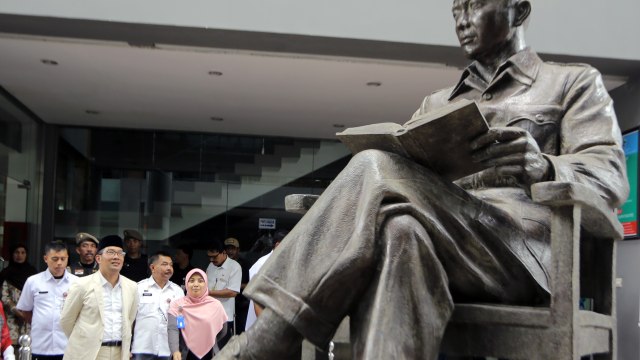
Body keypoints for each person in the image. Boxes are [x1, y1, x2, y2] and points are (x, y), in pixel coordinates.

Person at [216, 0, 629, 359]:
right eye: (455, 11)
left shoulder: (572, 83)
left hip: (523, 253)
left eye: (474, 5)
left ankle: (267, 342)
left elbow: (610, 176)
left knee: (375, 166)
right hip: (444, 242)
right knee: (401, 231)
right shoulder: (437, 104)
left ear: (519, 10)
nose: (462, 20)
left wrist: (545, 166)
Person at [60, 235, 139, 360]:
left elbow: (129, 320)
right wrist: (82, 341)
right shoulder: (82, 285)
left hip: (119, 353)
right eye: (111, 252)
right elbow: (66, 321)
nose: (116, 257)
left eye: (120, 253)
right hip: (88, 353)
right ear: (98, 258)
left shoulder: (132, 287)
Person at [16, 241, 78, 360]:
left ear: (67, 259)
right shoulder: (33, 282)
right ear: (46, 258)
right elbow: (26, 311)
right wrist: (42, 322)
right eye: (54, 259)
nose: (59, 263)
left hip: (67, 345)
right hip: (40, 345)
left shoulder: (76, 283)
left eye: (63, 259)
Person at [131, 251, 184, 360]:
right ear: (153, 267)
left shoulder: (177, 291)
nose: (169, 268)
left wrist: (178, 346)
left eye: (171, 265)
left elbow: (181, 319)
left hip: (167, 349)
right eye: (164, 264)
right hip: (142, 348)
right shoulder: (139, 288)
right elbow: (130, 319)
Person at [167, 269, 227, 360]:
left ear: (206, 283)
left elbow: (223, 330)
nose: (195, 284)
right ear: (186, 283)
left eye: (200, 281)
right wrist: (175, 351)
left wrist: (208, 341)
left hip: (209, 354)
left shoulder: (215, 305)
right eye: (191, 281)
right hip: (183, 354)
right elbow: (173, 329)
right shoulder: (177, 305)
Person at [244, 230, 287, 330]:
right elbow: (257, 298)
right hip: (263, 325)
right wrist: (265, 325)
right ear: (278, 244)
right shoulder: (263, 264)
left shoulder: (283, 261)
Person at [0, 244, 37, 351]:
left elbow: (37, 295)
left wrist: (27, 313)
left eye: (23, 252)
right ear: (12, 254)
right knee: (10, 349)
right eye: (16, 252)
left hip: (29, 319)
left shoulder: (33, 273)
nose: (19, 255)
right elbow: (4, 297)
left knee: (27, 349)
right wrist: (18, 312)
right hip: (11, 319)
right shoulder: (6, 273)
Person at [205, 241, 241, 349]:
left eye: (214, 256)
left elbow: (232, 292)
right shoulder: (211, 265)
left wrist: (208, 293)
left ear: (223, 253)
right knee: (207, 349)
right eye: (209, 257)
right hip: (208, 315)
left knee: (220, 349)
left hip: (224, 316)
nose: (212, 260)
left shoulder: (235, 267)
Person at [223, 238, 250, 334]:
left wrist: (236, 286)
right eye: (228, 248)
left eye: (232, 249)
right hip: (224, 304)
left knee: (241, 332)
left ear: (238, 250)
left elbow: (250, 284)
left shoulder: (245, 264)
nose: (230, 251)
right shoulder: (220, 264)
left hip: (241, 305)